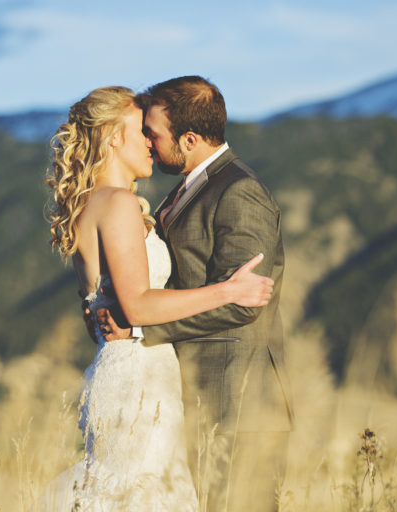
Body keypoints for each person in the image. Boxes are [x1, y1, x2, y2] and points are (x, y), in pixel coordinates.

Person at [40, 85, 274, 511]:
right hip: (140, 377)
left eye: (153, 132)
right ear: (113, 137)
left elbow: (105, 306)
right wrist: (229, 289)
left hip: (122, 371)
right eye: (140, 132)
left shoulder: (91, 204)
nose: (150, 142)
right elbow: (138, 307)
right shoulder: (122, 205)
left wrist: (115, 317)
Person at [96, 76, 293, 511]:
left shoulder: (240, 191)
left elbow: (243, 303)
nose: (148, 141)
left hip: (237, 406)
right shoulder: (190, 187)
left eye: (154, 133)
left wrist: (141, 329)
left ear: (188, 139)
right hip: (194, 403)